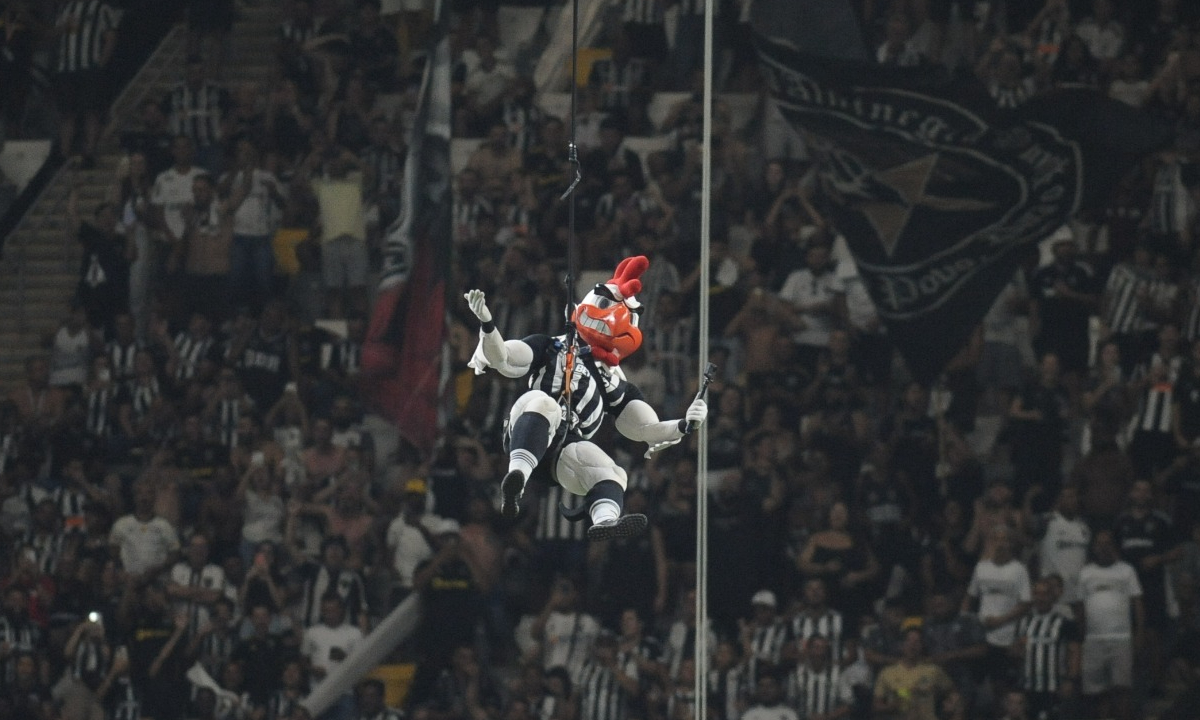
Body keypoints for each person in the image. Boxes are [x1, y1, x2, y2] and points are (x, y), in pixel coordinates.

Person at [463, 256, 708, 539]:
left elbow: (646, 428)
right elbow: (504, 358)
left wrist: (686, 424)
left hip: (564, 451)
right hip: (528, 427)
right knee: (546, 404)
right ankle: (516, 476)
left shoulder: (615, 381)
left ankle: (605, 520)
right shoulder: (550, 345)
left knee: (614, 472)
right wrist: (488, 326)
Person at [1078, 529, 1142, 720]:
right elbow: (1080, 608)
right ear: (1094, 547)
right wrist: (1083, 637)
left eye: (1107, 543)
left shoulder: (1126, 570)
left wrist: (1138, 634)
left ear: (1114, 546)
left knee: (1121, 690)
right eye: (1099, 543)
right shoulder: (1086, 572)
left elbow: (1137, 604)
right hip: (1093, 640)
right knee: (1097, 693)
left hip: (1120, 639)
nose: (1103, 547)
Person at [1012, 578, 1082, 720]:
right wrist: (1018, 648)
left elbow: (1074, 652)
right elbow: (1014, 653)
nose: (1040, 598)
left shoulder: (1064, 623)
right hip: (1028, 686)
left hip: (1053, 687)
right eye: (1037, 594)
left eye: (1044, 594)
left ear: (1052, 596)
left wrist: (1070, 680)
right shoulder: (1023, 622)